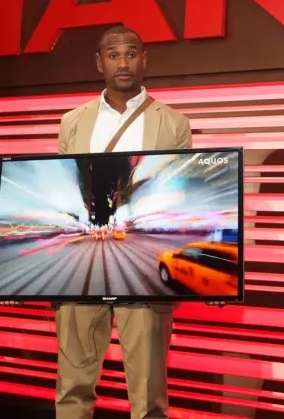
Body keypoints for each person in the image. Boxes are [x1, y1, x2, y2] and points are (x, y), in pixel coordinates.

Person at [54, 26, 191, 419]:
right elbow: (65, 189)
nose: (123, 62)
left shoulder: (174, 123)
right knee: (72, 386)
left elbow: (179, 196)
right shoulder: (72, 122)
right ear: (99, 63)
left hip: (144, 267)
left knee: (149, 394)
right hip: (81, 265)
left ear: (144, 60)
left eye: (131, 53)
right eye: (113, 55)